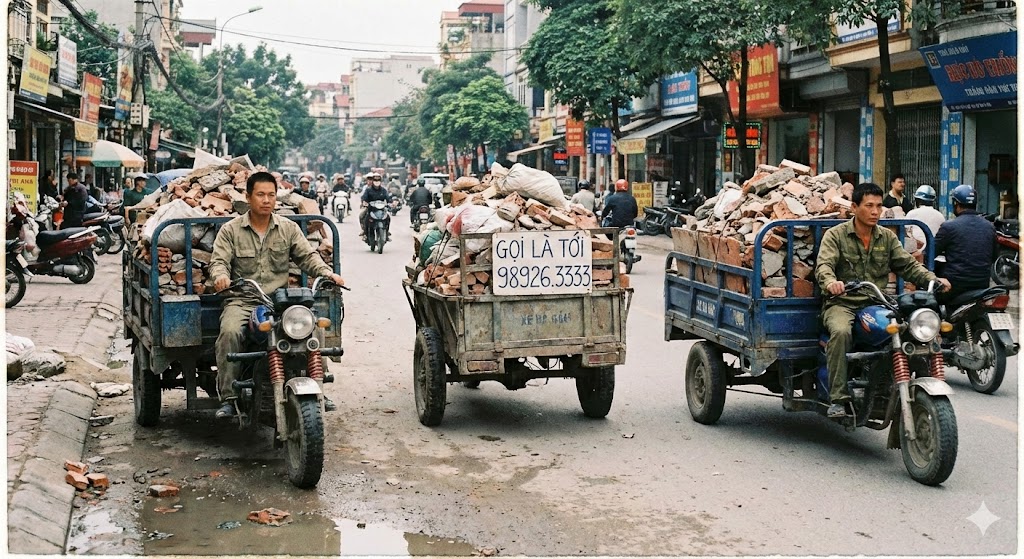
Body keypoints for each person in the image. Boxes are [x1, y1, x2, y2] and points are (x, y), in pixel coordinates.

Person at [209, 172, 345, 419]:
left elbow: (307, 256)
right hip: (243, 299)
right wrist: (220, 276)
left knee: (312, 328)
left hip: (279, 301)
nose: (266, 200)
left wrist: (326, 272)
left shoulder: (288, 228)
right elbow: (218, 262)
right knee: (229, 332)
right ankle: (229, 397)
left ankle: (318, 388)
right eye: (260, 195)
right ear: (248, 197)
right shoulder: (230, 230)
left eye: (271, 195)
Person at [815, 182, 949, 419]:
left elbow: (908, 265)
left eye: (878, 206)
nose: (876, 211)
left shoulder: (886, 237)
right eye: (869, 206)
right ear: (854, 207)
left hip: (876, 302)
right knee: (841, 333)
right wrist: (830, 282)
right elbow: (824, 265)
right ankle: (838, 398)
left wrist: (933, 278)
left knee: (908, 329)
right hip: (842, 303)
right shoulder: (835, 235)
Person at [934, 184, 996, 303]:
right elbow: (994, 257)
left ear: (956, 203)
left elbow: (930, 254)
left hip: (954, 287)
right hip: (982, 285)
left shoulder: (949, 227)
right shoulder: (990, 227)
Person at [903, 185, 945, 252]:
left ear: (917, 200)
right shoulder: (940, 216)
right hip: (934, 253)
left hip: (915, 254)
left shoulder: (912, 213)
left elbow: (905, 234)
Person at [359, 172, 392, 239]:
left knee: (388, 218)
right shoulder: (368, 190)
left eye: (378, 180)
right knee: (362, 216)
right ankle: (365, 232)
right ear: (373, 181)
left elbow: (388, 198)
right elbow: (364, 197)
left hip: (381, 209)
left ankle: (386, 232)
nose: (377, 182)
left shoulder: (383, 190)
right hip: (370, 209)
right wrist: (364, 202)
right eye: (375, 180)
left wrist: (391, 203)